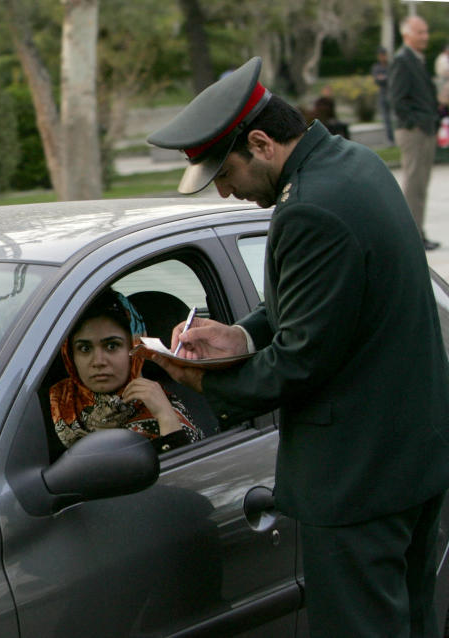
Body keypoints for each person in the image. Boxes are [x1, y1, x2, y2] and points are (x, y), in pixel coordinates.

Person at [146, 56, 449, 637]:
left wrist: (200, 379)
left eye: (225, 175)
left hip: (358, 484)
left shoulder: (307, 209)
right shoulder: (353, 164)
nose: (227, 194)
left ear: (260, 142)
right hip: (412, 461)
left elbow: (298, 364)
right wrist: (241, 333)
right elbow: (332, 299)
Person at [49, 289, 202, 453]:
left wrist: (165, 418)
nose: (99, 362)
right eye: (85, 348)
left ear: (134, 348)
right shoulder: (52, 405)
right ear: (70, 355)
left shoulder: (160, 406)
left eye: (112, 346)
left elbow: (188, 475)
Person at [389, 15, 441, 250]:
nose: (425, 37)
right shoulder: (402, 60)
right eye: (420, 32)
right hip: (414, 131)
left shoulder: (417, 59)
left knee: (420, 184)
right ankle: (413, 237)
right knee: (414, 183)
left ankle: (418, 232)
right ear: (406, 34)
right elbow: (397, 99)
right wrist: (415, 123)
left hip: (424, 128)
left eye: (426, 32)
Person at [372, 46, 395, 143]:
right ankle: (390, 139)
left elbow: (392, 79)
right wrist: (385, 78)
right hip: (383, 94)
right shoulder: (376, 67)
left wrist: (384, 78)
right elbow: (377, 80)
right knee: (386, 118)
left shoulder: (391, 66)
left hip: (392, 94)